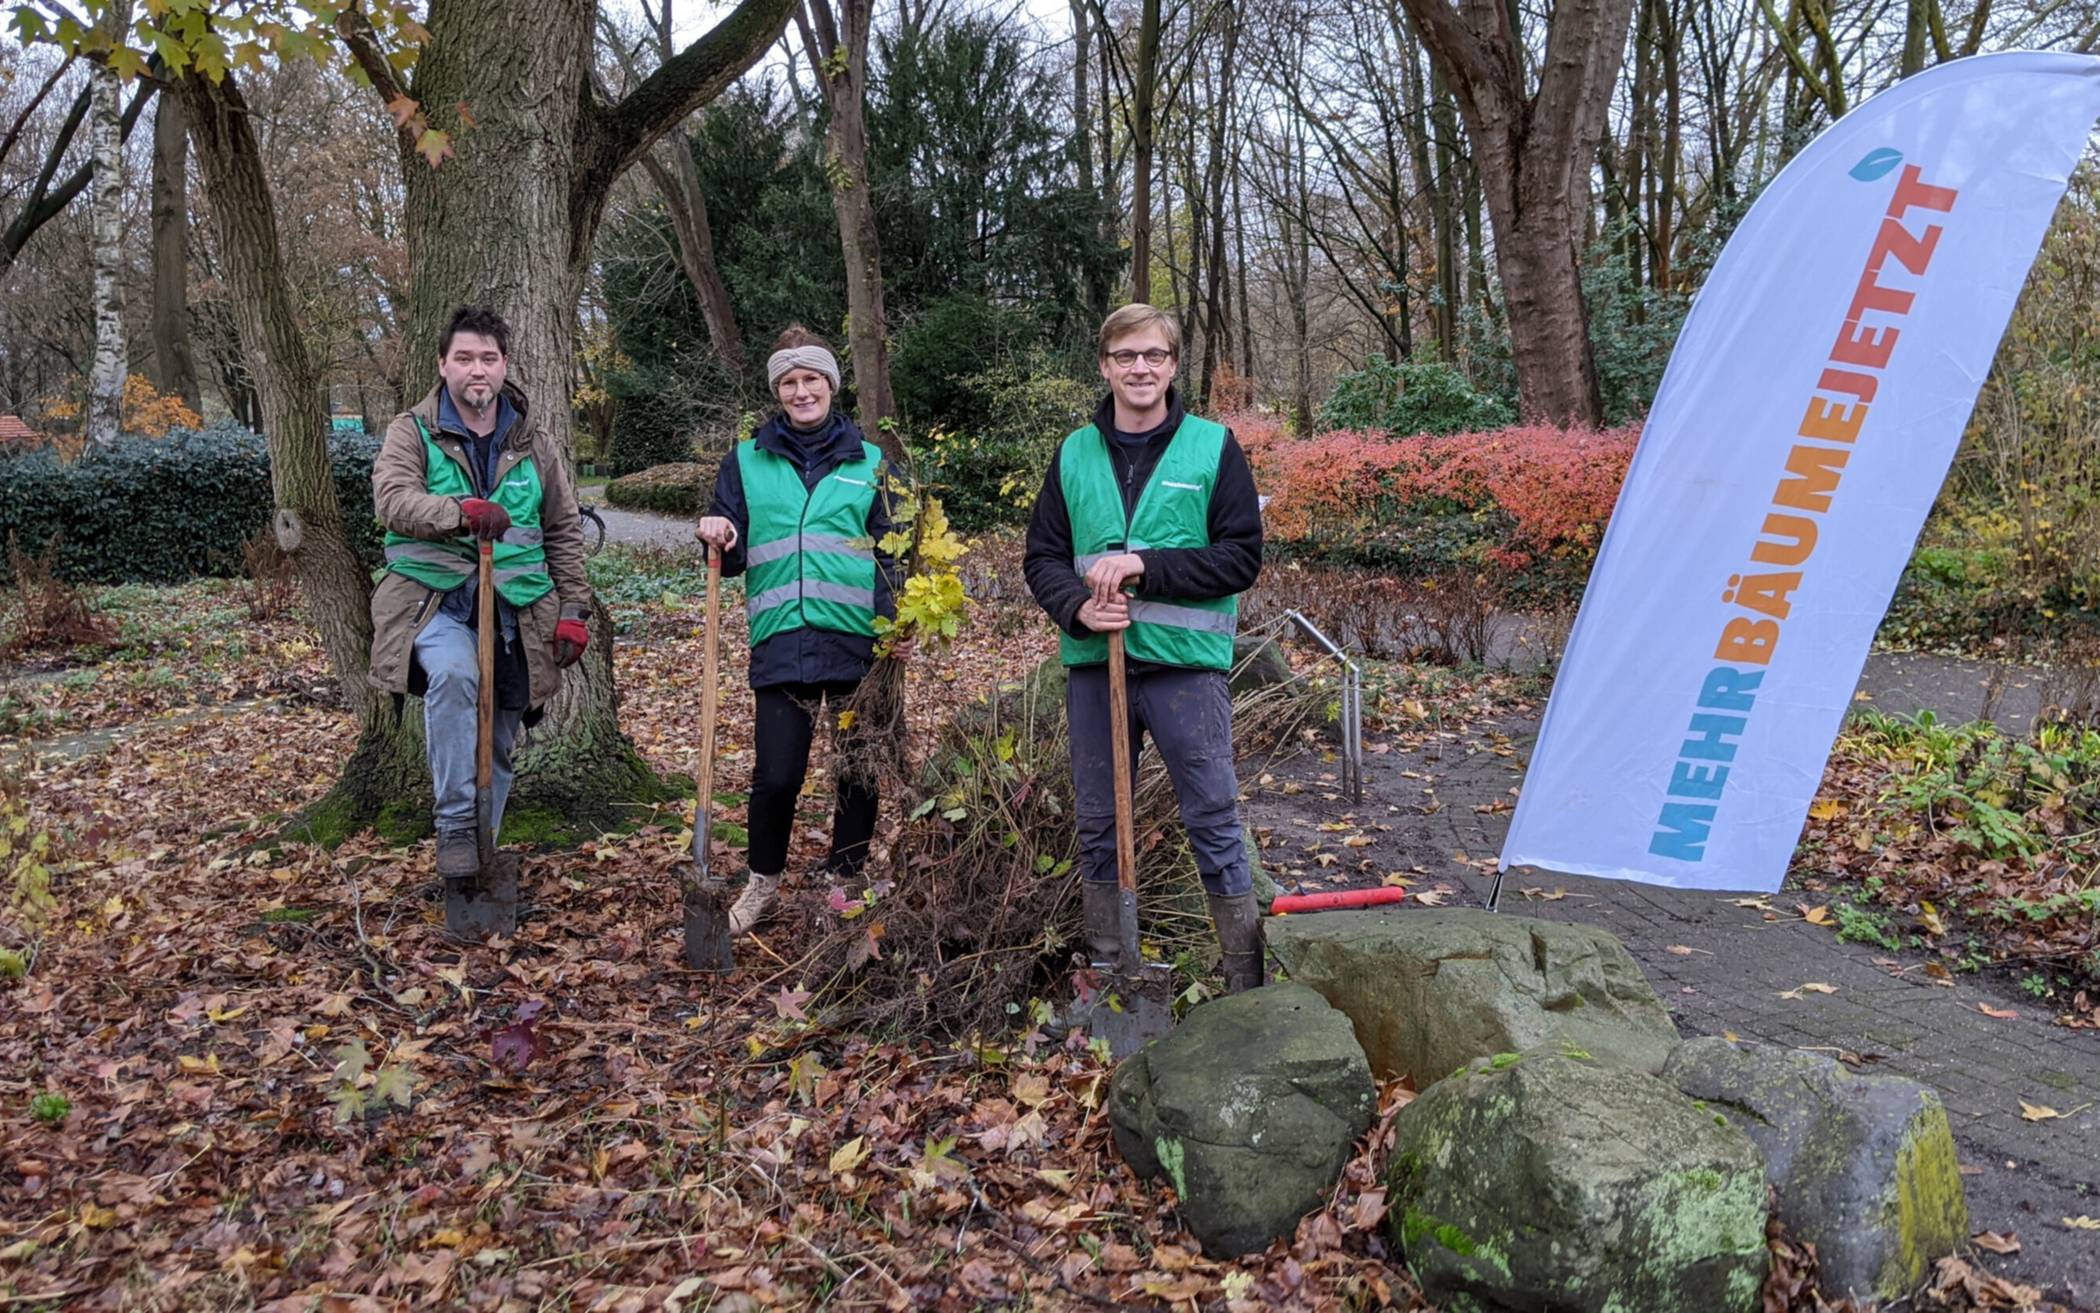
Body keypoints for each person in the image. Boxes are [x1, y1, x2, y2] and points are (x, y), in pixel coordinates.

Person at [1023, 304, 1267, 991]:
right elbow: (1041, 557)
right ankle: (1112, 967)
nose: (1140, 368)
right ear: (1103, 366)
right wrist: (1075, 608)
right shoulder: (1074, 453)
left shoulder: (1213, 448)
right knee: (1099, 820)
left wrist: (1142, 565)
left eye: (1154, 356)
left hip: (1186, 672)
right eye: (1126, 355)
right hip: (1097, 670)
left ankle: (1245, 981)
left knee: (1214, 818)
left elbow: (1240, 557)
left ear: (1172, 365)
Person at [368, 305, 594, 877]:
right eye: (464, 358)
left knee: (496, 737)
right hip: (433, 603)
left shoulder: (532, 441)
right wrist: (459, 512)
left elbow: (563, 529)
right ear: (442, 365)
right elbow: (392, 500)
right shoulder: (411, 430)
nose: (477, 370)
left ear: (504, 366)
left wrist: (573, 610)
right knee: (456, 675)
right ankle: (453, 828)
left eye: (488, 359)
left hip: (516, 611)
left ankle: (478, 859)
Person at [693, 326, 899, 936]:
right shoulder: (746, 459)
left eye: (812, 379)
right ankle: (763, 884)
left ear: (831, 387)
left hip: (859, 641)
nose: (802, 390)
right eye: (790, 381)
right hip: (781, 635)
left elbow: (893, 551)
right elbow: (728, 546)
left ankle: (845, 883)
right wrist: (718, 534)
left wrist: (895, 629)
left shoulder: (871, 460)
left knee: (857, 770)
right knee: (777, 774)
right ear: (777, 390)